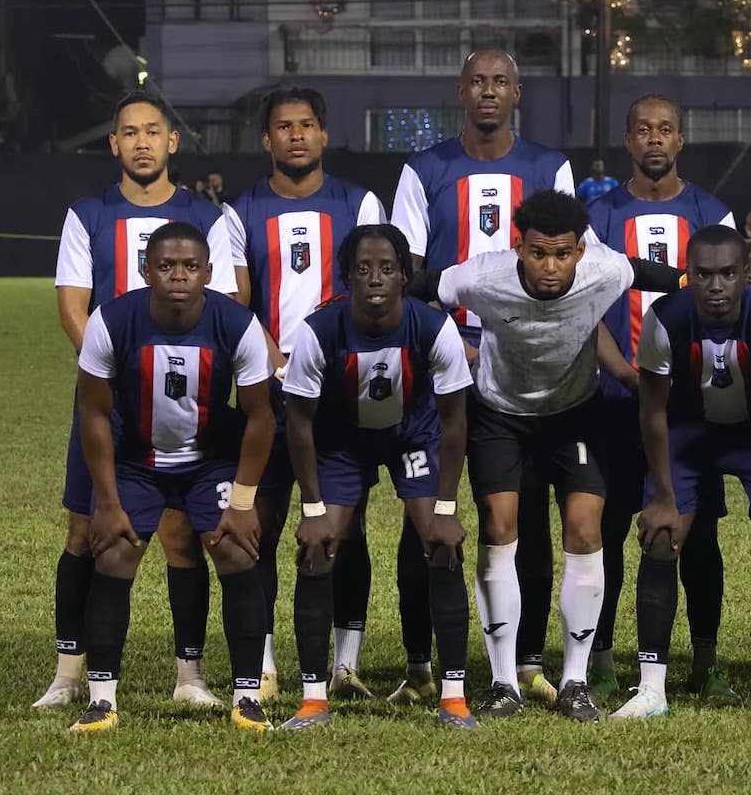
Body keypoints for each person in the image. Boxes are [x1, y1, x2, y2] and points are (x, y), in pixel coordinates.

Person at [409, 187, 684, 721]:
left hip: (575, 414)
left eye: (562, 254)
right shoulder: (481, 276)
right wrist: (460, 350)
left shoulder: (603, 268)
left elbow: (658, 275)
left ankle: (575, 681)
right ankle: (503, 682)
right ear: (519, 247)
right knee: (499, 525)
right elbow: (420, 291)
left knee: (586, 529)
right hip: (498, 416)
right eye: (538, 253)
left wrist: (692, 279)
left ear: (580, 251)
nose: (550, 266)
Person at [41, 91, 240, 710]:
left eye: (154, 130)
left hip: (186, 403)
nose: (143, 142)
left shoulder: (208, 218)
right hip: (112, 403)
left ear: (173, 140)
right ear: (115, 145)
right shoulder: (89, 214)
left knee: (183, 535)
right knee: (85, 531)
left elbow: (228, 310)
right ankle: (68, 675)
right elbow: (74, 306)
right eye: (130, 133)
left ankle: (190, 677)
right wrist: (118, 377)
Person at [389, 48, 574, 706]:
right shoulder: (424, 168)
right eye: (477, 82)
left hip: (519, 370)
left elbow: (565, 268)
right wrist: (442, 344)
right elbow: (406, 274)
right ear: (459, 90)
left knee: (521, 513)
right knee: (424, 514)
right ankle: (418, 664)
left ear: (517, 92)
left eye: (500, 82)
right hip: (438, 368)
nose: (488, 92)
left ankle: (523, 663)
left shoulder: (549, 168)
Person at [68, 222, 274, 732]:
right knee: (114, 552)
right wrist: (109, 502)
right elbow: (93, 415)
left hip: (210, 458)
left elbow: (261, 417)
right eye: (165, 266)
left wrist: (243, 501)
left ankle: (248, 697)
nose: (178, 276)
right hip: (138, 457)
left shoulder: (237, 323)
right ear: (146, 271)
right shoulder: (111, 320)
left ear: (208, 271)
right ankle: (102, 700)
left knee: (234, 549)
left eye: (189, 266)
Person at [610, 225, 751, 722]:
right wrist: (661, 494)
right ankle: (651, 688)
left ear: (747, 273)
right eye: (703, 274)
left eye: (727, 274)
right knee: (660, 535)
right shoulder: (665, 318)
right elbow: (653, 411)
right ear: (688, 275)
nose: (716, 286)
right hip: (688, 432)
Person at [224, 86, 386, 700]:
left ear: (324, 134)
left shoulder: (359, 201)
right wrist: (274, 356)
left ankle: (346, 665)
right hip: (269, 391)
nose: (296, 135)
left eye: (308, 124)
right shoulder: (239, 212)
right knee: (261, 522)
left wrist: (325, 356)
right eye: (284, 126)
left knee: (348, 524)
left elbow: (377, 287)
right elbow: (237, 305)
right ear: (267, 139)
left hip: (340, 390)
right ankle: (264, 665)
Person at [279, 225, 475, 731]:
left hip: (414, 436)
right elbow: (299, 422)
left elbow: (455, 419)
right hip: (343, 443)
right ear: (345, 276)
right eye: (362, 269)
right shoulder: (318, 331)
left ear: (405, 275)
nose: (375, 279)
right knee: (318, 553)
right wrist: (314, 509)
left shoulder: (432, 327)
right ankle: (313, 700)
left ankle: (453, 698)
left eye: (387, 268)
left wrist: (449, 508)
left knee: (440, 542)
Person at [585, 94, 739, 703]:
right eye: (643, 128)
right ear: (628, 138)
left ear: (681, 140)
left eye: (666, 129)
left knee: (698, 536)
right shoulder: (598, 216)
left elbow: (732, 307)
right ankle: (599, 658)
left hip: (693, 408)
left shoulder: (709, 211)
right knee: (609, 528)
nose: (655, 138)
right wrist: (625, 371)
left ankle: (705, 660)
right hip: (615, 399)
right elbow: (584, 307)